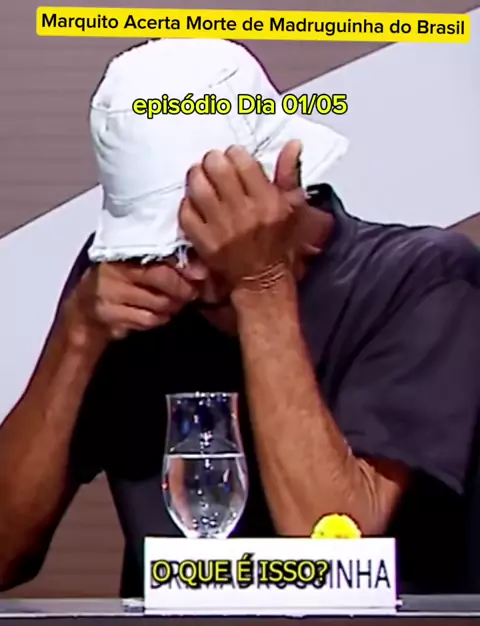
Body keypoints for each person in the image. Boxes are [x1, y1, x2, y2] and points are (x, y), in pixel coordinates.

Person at [1, 39, 480, 597]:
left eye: (208, 236)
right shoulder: (121, 292)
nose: (187, 270)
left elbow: (333, 562)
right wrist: (78, 337)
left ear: (287, 180)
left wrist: (261, 285)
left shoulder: (420, 279)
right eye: (163, 246)